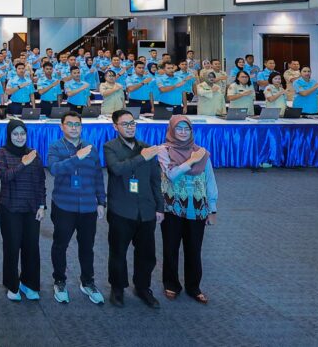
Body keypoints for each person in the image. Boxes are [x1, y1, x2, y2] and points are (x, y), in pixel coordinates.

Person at [104, 108, 165, 309]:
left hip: (146, 210)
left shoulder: (146, 147)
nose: (130, 127)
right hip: (121, 209)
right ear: (115, 127)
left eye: (132, 123)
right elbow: (117, 169)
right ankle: (117, 288)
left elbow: (155, 180)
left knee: (147, 254)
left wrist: (160, 206)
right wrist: (142, 157)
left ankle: (143, 288)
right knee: (118, 253)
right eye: (125, 124)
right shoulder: (110, 147)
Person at [157, 116, 218, 304]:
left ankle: (194, 287)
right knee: (171, 248)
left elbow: (210, 181)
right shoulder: (164, 150)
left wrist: (212, 209)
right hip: (172, 207)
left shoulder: (202, 153)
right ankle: (171, 284)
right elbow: (172, 174)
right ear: (171, 130)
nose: (183, 132)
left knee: (194, 249)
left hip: (197, 207)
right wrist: (191, 160)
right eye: (179, 128)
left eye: (187, 129)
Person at [47, 111, 105, 305]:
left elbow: (98, 176)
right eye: (70, 124)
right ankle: (59, 281)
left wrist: (101, 201)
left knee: (87, 247)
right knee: (60, 245)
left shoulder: (91, 148)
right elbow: (54, 169)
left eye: (77, 124)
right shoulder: (55, 147)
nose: (74, 128)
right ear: (61, 126)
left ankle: (87, 282)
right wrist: (76, 158)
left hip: (88, 206)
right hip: (64, 205)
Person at [0, 119, 46, 302]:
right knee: (12, 247)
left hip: (31, 208)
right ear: (9, 135)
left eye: (22, 134)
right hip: (11, 208)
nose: (19, 137)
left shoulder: (33, 154)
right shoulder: (1, 152)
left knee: (31, 248)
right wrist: (23, 163)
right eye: (15, 134)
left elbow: (40, 181)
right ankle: (12, 285)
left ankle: (29, 283)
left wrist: (42, 205)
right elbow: (5, 176)